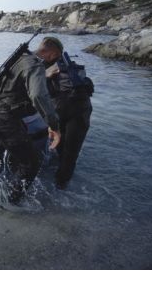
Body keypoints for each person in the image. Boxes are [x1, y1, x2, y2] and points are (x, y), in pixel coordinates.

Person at [0, 47, 61, 204]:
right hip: (4, 118)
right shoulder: (36, 65)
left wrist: (44, 76)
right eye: (56, 58)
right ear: (51, 53)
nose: (54, 62)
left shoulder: (19, 59)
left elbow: (19, 83)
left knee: (11, 139)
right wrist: (54, 125)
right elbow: (38, 95)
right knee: (31, 163)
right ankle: (10, 203)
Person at [36, 36, 93, 189]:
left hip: (77, 112)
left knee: (69, 153)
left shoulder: (65, 69)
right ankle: (61, 181)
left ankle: (61, 186)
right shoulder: (48, 67)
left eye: (43, 52)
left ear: (54, 53)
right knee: (63, 149)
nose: (40, 55)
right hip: (64, 111)